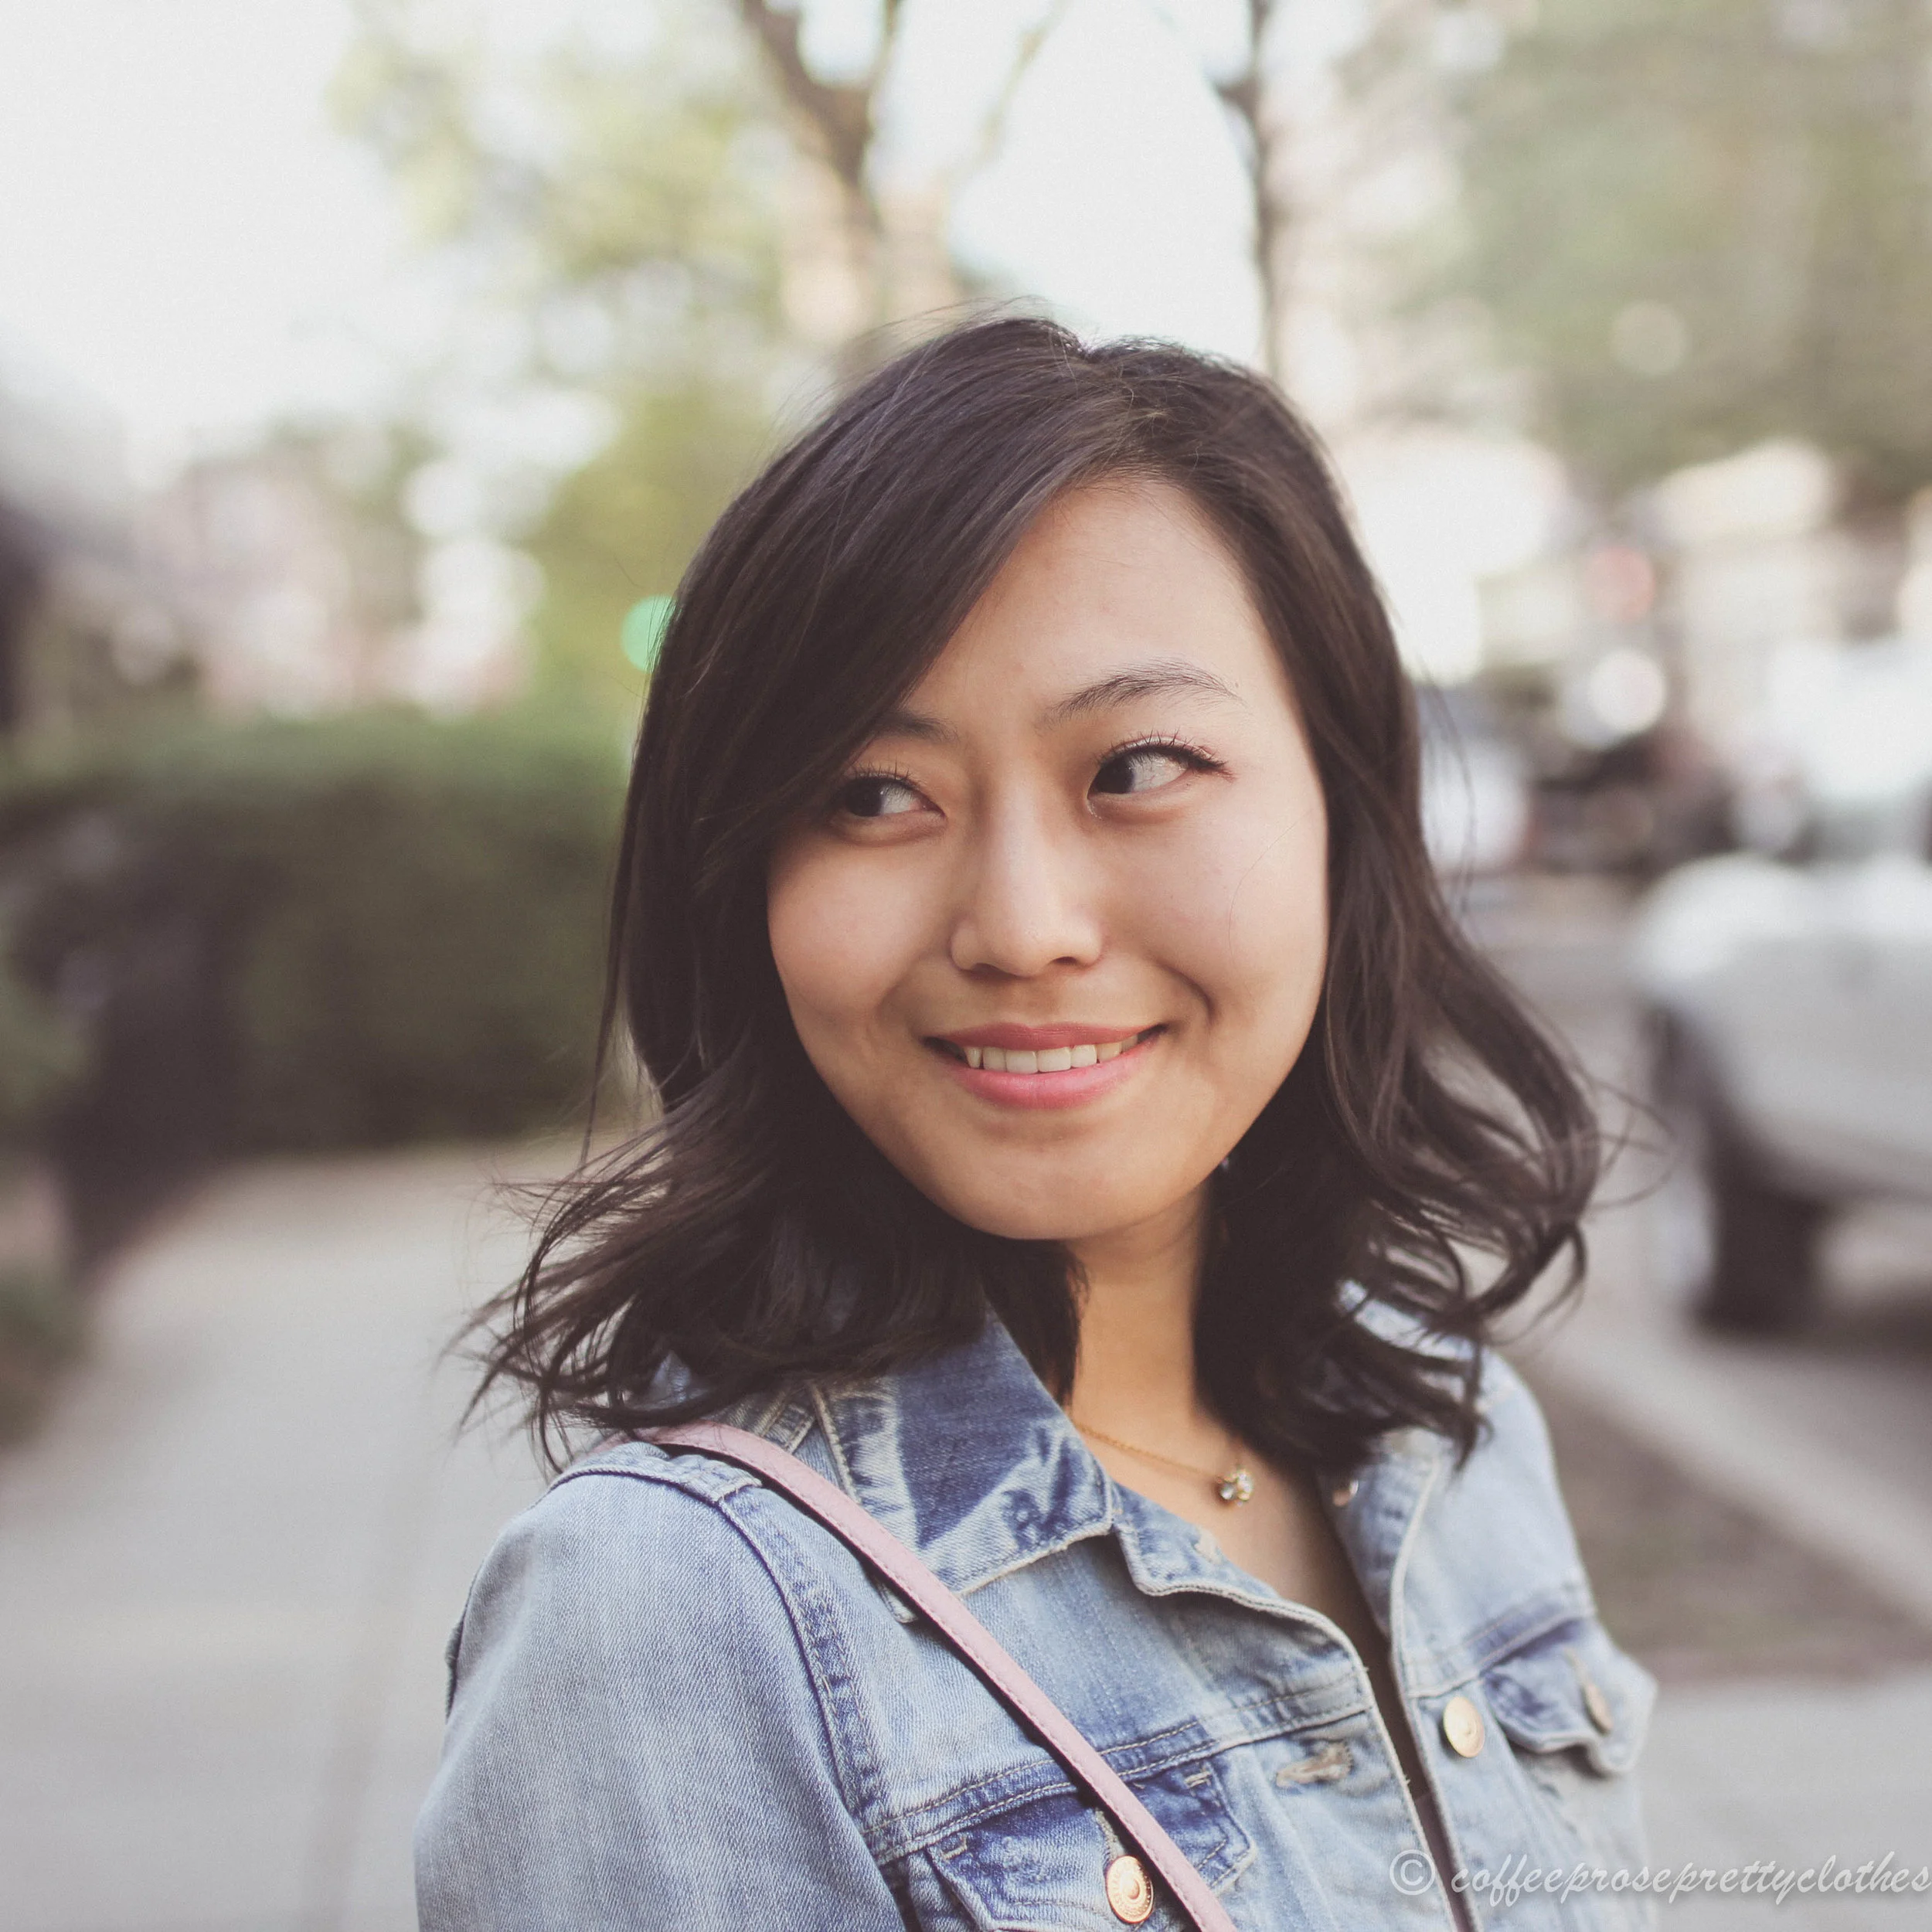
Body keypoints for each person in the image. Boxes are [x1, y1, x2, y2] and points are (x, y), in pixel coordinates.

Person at [415, 318, 1655, 1930]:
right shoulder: (673, 1617)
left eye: (1135, 765)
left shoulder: (1452, 1433)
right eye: (871, 793)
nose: (1019, 923)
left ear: (1342, 817)